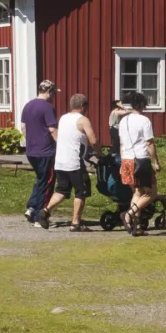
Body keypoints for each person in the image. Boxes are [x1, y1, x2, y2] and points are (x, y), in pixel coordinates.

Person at [49, 92, 100, 231]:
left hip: (60, 161)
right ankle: (75, 222)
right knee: (81, 191)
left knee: (62, 190)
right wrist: (99, 152)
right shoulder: (83, 120)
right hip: (74, 162)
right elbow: (93, 140)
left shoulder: (63, 118)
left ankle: (46, 210)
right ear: (83, 106)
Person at [116, 89, 158, 236]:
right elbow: (150, 144)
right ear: (141, 105)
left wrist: (122, 162)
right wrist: (155, 162)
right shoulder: (144, 121)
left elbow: (121, 143)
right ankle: (128, 215)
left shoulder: (123, 121)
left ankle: (136, 226)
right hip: (140, 160)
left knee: (138, 192)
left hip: (126, 159)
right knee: (151, 193)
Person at [20, 79, 60, 228]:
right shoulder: (48, 107)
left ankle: (31, 207)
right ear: (49, 91)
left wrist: (31, 140)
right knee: (48, 182)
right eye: (54, 92)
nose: (54, 95)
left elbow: (23, 127)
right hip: (46, 151)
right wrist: (61, 145)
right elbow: (52, 129)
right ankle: (38, 216)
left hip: (31, 151)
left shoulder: (28, 105)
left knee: (40, 179)